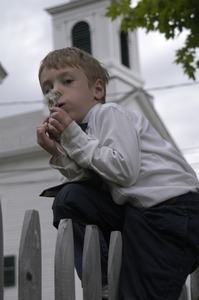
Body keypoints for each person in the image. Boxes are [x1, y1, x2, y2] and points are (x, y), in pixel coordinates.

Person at [36, 47, 199, 300]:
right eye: (47, 89)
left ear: (97, 90)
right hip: (139, 214)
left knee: (144, 294)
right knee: (69, 198)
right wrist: (59, 153)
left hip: (172, 211)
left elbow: (123, 170)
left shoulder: (108, 113)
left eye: (67, 81)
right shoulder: (83, 134)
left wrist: (72, 136)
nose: (55, 92)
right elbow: (93, 183)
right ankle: (103, 286)